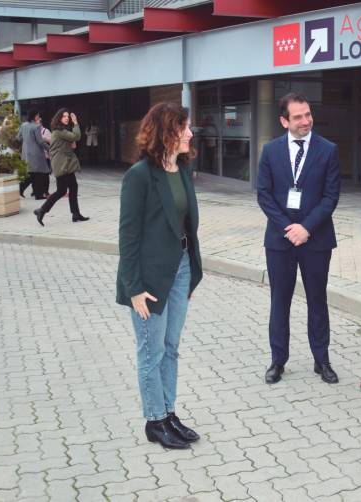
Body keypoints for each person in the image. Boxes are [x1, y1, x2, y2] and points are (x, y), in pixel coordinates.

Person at [116, 102, 203, 449]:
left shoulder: (181, 169)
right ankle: (154, 420)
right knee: (151, 351)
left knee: (171, 347)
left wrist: (192, 273)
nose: (190, 133)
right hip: (149, 278)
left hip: (180, 268)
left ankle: (168, 412)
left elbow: (187, 225)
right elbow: (128, 237)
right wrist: (133, 288)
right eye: (185, 127)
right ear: (167, 131)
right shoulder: (138, 176)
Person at [257, 93, 341, 385]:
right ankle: (277, 361)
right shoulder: (270, 151)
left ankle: (322, 360)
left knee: (317, 300)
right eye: (298, 117)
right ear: (284, 121)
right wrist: (288, 228)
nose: (305, 121)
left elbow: (331, 196)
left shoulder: (328, 150)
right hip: (280, 242)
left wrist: (305, 228)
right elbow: (264, 196)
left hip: (316, 240)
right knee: (279, 301)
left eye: (308, 114)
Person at [34, 109, 88, 225]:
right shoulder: (59, 131)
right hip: (62, 165)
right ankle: (42, 210)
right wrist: (76, 122)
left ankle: (75, 214)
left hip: (64, 164)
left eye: (68, 116)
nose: (67, 118)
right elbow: (77, 136)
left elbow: (70, 142)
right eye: (64, 116)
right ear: (59, 118)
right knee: (61, 191)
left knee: (72, 187)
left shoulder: (60, 131)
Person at [18, 110, 51, 199]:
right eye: (38, 115)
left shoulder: (23, 125)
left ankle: (21, 189)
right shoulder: (36, 127)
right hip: (36, 154)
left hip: (26, 153)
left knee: (31, 174)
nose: (38, 117)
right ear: (35, 116)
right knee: (39, 174)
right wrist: (49, 149)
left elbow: (18, 137)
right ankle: (38, 195)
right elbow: (40, 142)